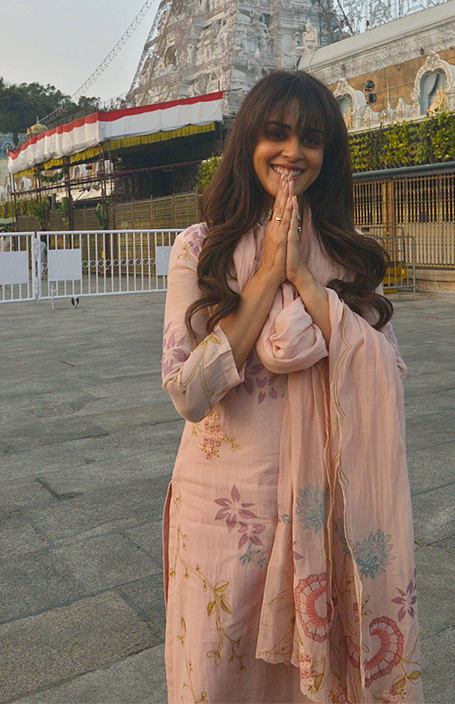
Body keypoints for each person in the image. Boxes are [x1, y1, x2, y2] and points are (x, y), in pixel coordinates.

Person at [162, 70, 423, 704]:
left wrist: (306, 279)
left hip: (324, 509)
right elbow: (189, 394)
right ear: (247, 140)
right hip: (223, 512)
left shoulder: (350, 256)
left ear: (327, 156)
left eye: (311, 140)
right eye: (275, 134)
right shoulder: (201, 250)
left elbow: (386, 374)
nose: (291, 152)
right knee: (217, 679)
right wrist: (266, 274)